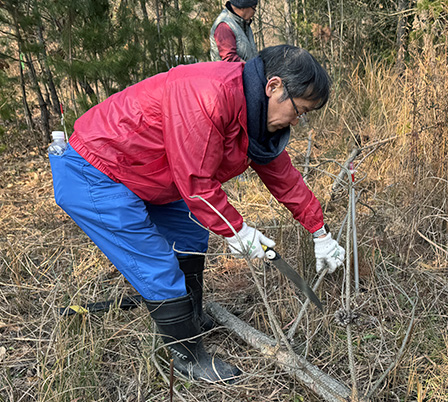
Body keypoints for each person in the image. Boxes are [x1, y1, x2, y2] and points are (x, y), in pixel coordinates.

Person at [49, 45, 345, 384]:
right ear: (274, 86)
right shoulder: (208, 95)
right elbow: (196, 182)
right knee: (156, 264)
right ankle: (187, 355)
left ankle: (191, 315)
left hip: (148, 174)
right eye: (299, 110)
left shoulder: (257, 115)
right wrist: (238, 231)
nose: (297, 121)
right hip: (96, 170)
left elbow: (283, 176)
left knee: (190, 235)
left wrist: (319, 231)